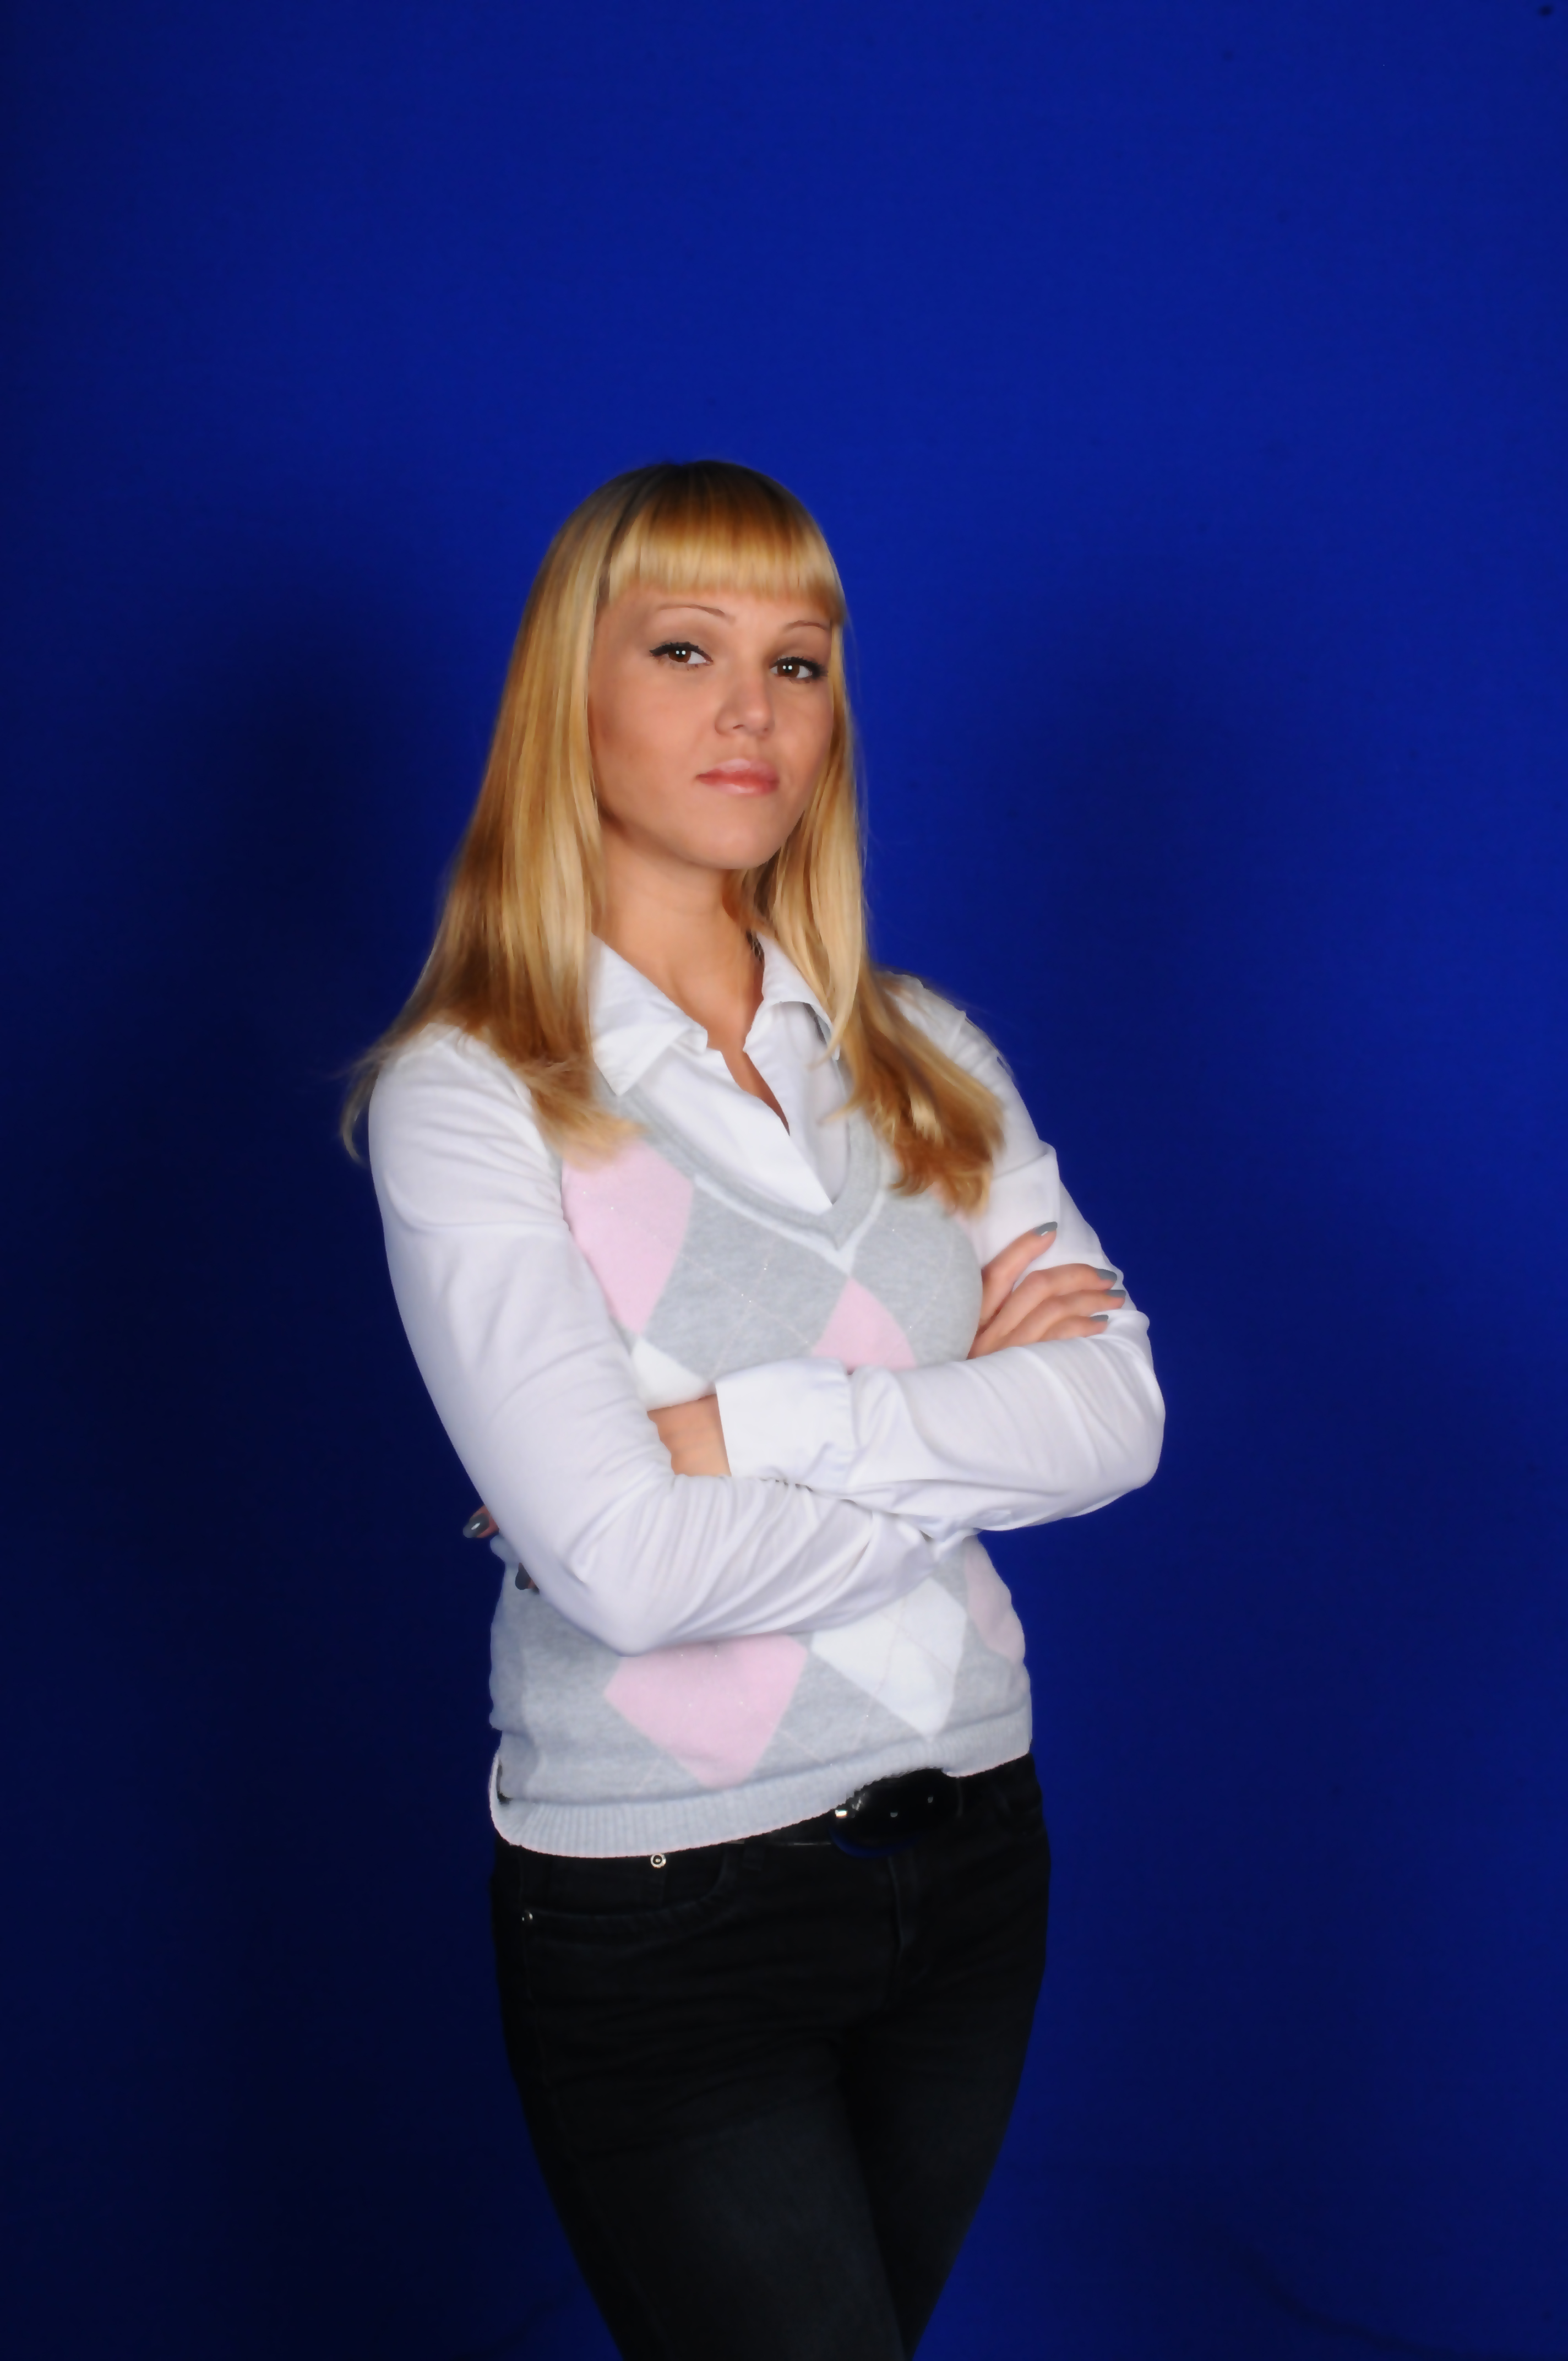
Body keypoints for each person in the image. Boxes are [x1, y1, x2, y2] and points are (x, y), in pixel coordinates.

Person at [352, 459, 1163, 2360]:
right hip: (669, 1901)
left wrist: (749, 1426)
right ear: (570, 692)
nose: (753, 710)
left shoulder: (928, 1054)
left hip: (976, 1849)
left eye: (799, 663)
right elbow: (627, 1572)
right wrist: (966, 1417)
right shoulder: (471, 1094)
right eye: (686, 650)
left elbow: (1119, 1418)